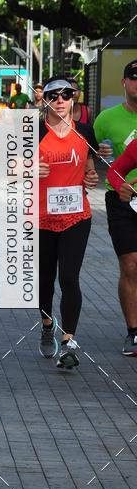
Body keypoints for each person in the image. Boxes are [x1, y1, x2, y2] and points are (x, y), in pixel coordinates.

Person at [37, 77, 98, 369]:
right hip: (39, 218)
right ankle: (47, 323)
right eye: (53, 95)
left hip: (76, 216)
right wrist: (27, 169)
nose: (60, 100)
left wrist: (91, 177)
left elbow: (90, 168)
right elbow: (9, 174)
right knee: (44, 280)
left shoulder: (85, 131)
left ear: (74, 98)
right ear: (44, 99)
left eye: (66, 95)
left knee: (69, 278)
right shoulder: (30, 133)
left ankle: (68, 341)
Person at [95, 59, 137, 356]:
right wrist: (99, 155)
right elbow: (101, 160)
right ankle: (133, 332)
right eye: (133, 78)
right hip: (121, 202)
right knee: (131, 264)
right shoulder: (106, 119)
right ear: (124, 83)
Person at [107, 139, 137, 356]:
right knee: (130, 264)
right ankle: (133, 332)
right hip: (127, 207)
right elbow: (114, 172)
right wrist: (122, 187)